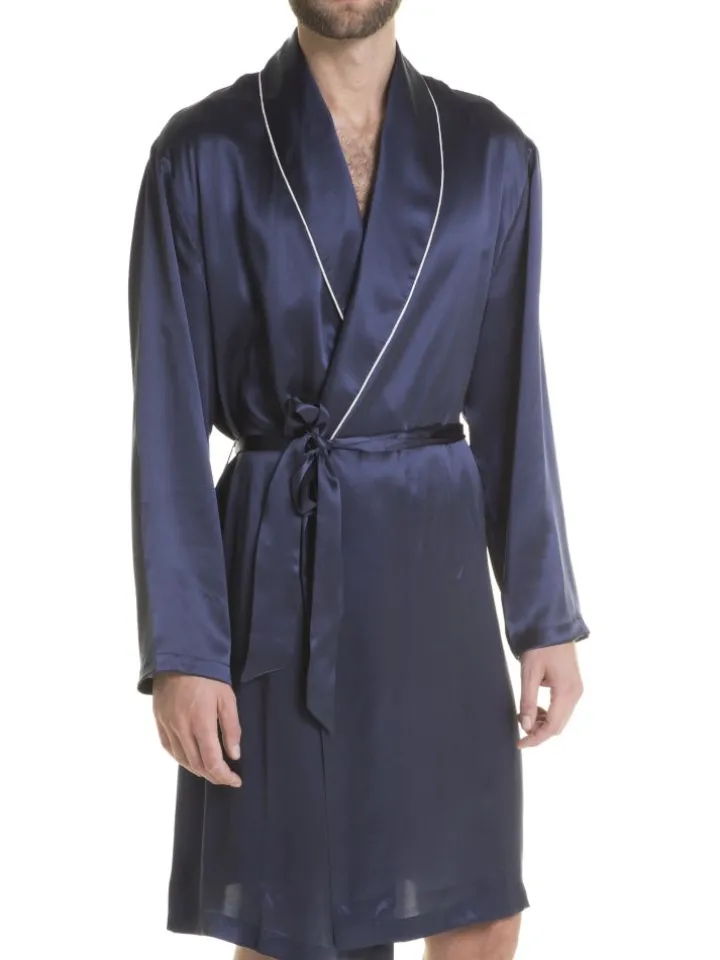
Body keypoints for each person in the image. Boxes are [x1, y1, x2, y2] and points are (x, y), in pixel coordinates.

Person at [127, 2, 590, 959]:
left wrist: (543, 616)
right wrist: (185, 650)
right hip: (278, 576)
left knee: (478, 907)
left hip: (435, 571)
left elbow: (514, 398)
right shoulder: (202, 154)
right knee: (295, 924)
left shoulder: (491, 154)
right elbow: (167, 424)